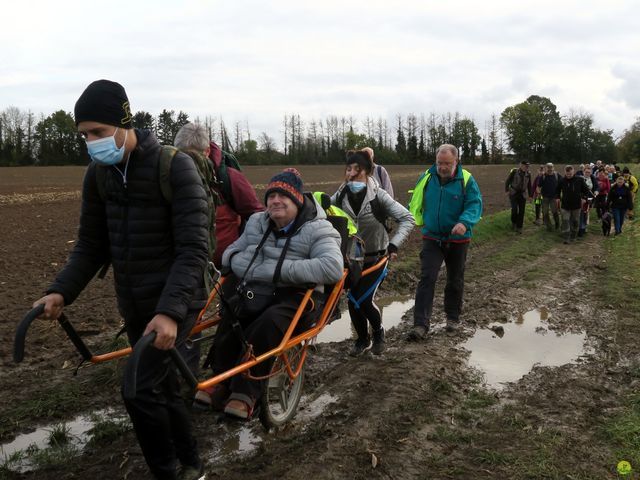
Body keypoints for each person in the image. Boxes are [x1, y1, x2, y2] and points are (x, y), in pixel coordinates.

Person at [31, 80, 206, 480]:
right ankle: (192, 463)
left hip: (177, 301)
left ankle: (168, 472)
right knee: (162, 386)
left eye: (97, 132)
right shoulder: (98, 176)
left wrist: (169, 313)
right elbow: (91, 246)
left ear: (123, 123)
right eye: (84, 135)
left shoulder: (174, 166)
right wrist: (60, 291)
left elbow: (193, 250)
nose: (91, 142)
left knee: (137, 389)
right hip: (134, 302)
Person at [196, 169, 343, 418]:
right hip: (258, 290)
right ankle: (220, 379)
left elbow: (332, 267)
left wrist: (275, 271)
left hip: (299, 295)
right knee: (231, 315)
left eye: (283, 196)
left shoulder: (319, 229)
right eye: (271, 195)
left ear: (297, 200)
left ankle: (246, 391)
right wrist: (257, 269)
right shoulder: (256, 222)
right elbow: (231, 254)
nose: (275, 200)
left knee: (267, 323)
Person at [331, 149, 414, 356]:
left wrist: (394, 244)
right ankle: (362, 339)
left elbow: (407, 219)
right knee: (352, 301)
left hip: (376, 258)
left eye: (356, 171)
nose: (351, 174)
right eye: (348, 169)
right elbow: (323, 210)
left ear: (367, 172)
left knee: (363, 300)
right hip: (351, 261)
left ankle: (378, 332)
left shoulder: (379, 196)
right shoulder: (341, 195)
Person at [407, 144, 482, 339]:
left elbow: (474, 204)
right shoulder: (427, 177)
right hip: (432, 236)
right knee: (427, 277)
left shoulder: (466, 180)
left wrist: (464, 223)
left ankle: (452, 318)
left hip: (458, 239)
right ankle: (420, 325)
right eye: (439, 163)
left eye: (447, 163)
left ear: (456, 161)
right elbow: (415, 200)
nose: (442, 167)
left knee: (455, 279)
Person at [207, 141, 264, 267]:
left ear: (206, 152)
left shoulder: (229, 177)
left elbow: (256, 215)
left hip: (225, 267)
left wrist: (247, 253)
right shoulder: (173, 175)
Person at [556, 165, 592, 244]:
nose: (568, 175)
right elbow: (557, 190)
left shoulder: (579, 180)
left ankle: (573, 236)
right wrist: (557, 198)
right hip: (565, 205)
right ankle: (566, 237)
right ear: (565, 172)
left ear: (573, 172)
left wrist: (584, 198)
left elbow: (586, 190)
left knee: (575, 221)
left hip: (576, 205)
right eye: (567, 174)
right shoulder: (562, 180)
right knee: (565, 220)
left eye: (570, 174)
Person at [505, 160, 532, 233]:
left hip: (522, 194)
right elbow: (507, 181)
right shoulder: (514, 172)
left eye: (527, 166)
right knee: (514, 210)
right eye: (525, 166)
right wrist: (507, 190)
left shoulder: (528, 174)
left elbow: (529, 185)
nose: (527, 167)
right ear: (521, 165)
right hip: (513, 193)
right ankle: (514, 222)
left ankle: (519, 227)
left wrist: (530, 195)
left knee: (522, 211)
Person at [539, 162, 561, 231]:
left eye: (551, 167)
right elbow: (539, 186)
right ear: (546, 168)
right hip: (545, 198)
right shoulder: (543, 176)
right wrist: (538, 193)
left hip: (554, 198)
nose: (549, 169)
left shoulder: (557, 175)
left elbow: (563, 182)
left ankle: (557, 224)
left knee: (554, 212)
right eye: (548, 167)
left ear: (553, 168)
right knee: (545, 212)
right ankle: (549, 226)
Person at [578, 165, 598, 236]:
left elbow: (596, 186)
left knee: (586, 213)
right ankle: (581, 228)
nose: (587, 174)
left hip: (590, 198)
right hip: (581, 198)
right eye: (586, 172)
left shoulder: (593, 178)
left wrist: (596, 191)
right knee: (581, 213)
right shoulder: (580, 178)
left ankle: (584, 226)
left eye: (589, 172)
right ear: (583, 172)